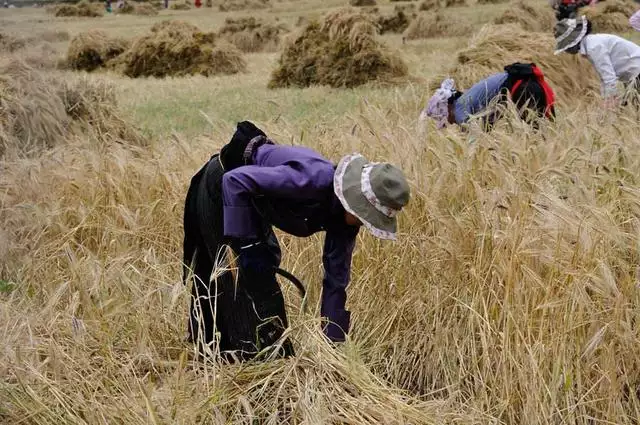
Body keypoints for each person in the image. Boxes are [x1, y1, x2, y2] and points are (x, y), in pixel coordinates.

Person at [182, 121, 410, 361]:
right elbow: (234, 181)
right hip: (221, 188)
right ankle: (245, 366)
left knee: (259, 275)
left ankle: (260, 361)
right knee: (239, 285)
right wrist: (247, 245)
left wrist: (332, 345)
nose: (365, 223)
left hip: (252, 203)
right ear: (354, 202)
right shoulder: (312, 180)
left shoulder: (345, 223)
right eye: (367, 216)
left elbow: (336, 281)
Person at [421, 63, 556, 131]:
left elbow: (474, 135)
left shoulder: (459, 110)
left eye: (445, 117)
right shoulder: (467, 99)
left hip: (521, 89)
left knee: (533, 129)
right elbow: (489, 120)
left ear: (448, 107)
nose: (450, 123)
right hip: (524, 84)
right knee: (536, 128)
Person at [554, 16, 640, 107]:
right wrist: (606, 98)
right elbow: (604, 77)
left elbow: (608, 77)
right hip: (633, 75)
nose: (567, 50)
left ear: (573, 41)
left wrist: (610, 100)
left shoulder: (593, 47)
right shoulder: (591, 43)